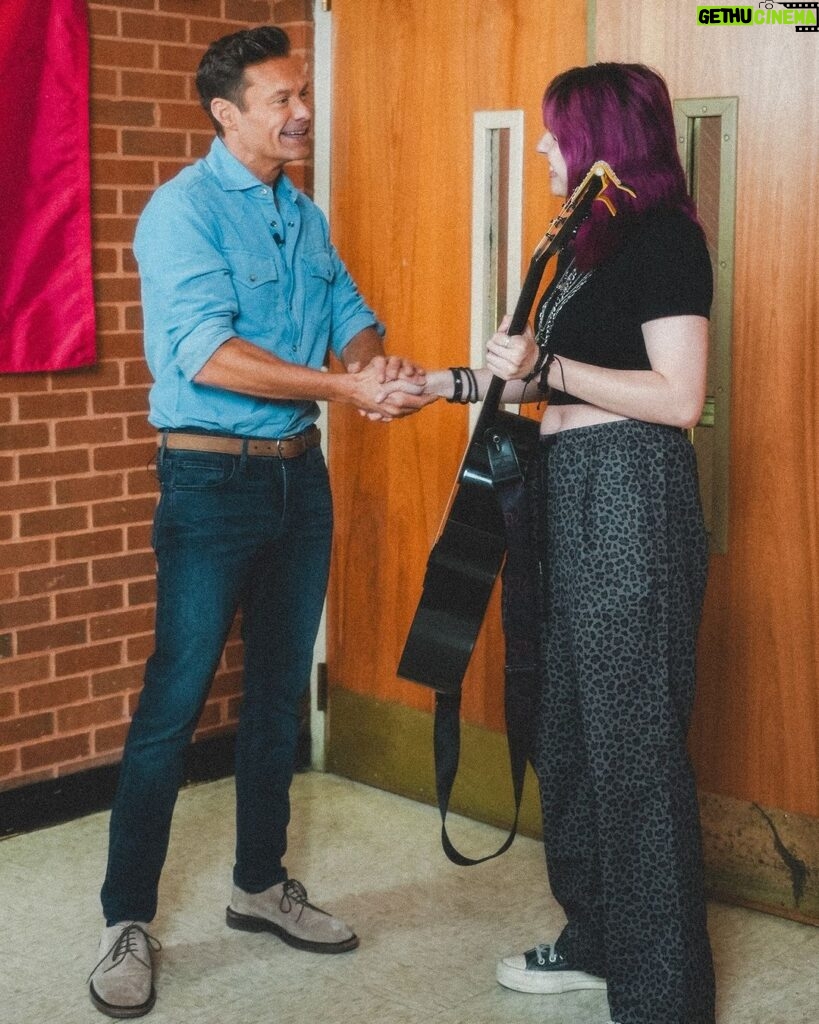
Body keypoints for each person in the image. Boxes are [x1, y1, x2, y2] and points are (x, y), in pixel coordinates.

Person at [88, 25, 427, 1019]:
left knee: (277, 698)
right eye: (280, 99)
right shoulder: (181, 213)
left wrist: (365, 364)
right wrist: (340, 386)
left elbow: (349, 310)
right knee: (175, 702)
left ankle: (258, 882)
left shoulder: (300, 212)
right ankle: (125, 919)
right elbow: (208, 353)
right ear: (226, 114)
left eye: (304, 93)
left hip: (296, 483)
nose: (301, 112)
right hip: (209, 484)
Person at [383, 62, 716, 1024]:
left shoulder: (664, 241)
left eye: (549, 131)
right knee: (565, 732)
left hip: (629, 497)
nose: (538, 148)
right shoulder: (584, 248)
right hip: (563, 490)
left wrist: (550, 364)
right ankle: (598, 939)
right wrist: (442, 387)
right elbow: (537, 384)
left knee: (632, 748)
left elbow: (678, 401)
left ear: (603, 137)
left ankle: (664, 998)